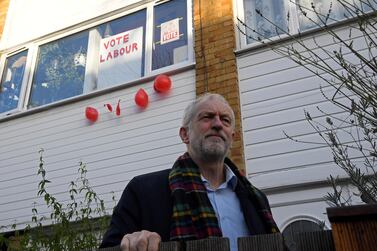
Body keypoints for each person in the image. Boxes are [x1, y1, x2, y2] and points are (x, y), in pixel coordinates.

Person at [100, 93, 279, 251]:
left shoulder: (256, 199)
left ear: (232, 138)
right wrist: (130, 242)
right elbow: (111, 247)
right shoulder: (142, 190)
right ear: (185, 134)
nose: (217, 124)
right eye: (207, 117)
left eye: (225, 120)